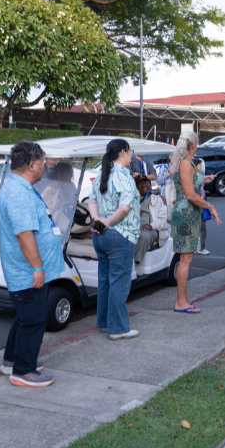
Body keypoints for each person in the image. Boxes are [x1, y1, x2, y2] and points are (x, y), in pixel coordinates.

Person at [0, 142, 64, 386]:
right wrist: (37, 268)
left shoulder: (20, 187)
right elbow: (25, 235)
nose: (45, 166)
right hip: (26, 270)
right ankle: (24, 371)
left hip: (25, 269)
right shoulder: (18, 193)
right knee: (34, 320)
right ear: (32, 165)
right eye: (43, 162)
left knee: (25, 317)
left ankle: (12, 360)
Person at [87, 139, 141, 340]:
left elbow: (91, 200)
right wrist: (108, 222)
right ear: (124, 152)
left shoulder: (104, 173)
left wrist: (98, 221)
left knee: (105, 280)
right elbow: (125, 208)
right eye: (130, 151)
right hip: (120, 235)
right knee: (119, 281)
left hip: (100, 235)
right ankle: (118, 328)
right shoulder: (123, 176)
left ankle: (104, 322)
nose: (131, 155)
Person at [170, 133, 220, 313]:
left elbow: (187, 183)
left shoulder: (184, 162)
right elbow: (190, 194)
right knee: (185, 260)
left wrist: (203, 179)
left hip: (186, 212)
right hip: (186, 213)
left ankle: (182, 301)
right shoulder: (185, 163)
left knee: (185, 259)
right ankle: (181, 302)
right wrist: (210, 206)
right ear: (193, 145)